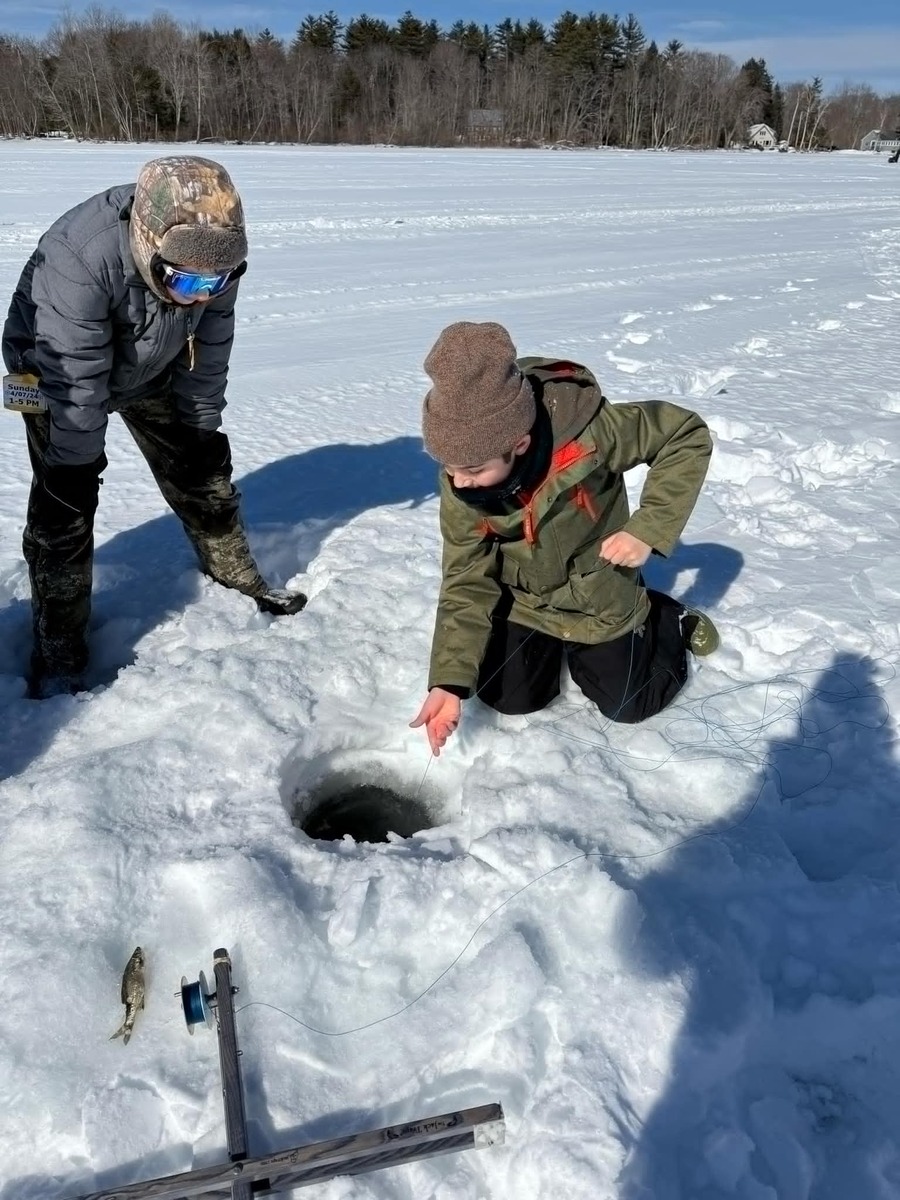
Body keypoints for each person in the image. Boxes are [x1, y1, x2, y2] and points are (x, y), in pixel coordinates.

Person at [2, 155, 306, 699]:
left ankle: (237, 580)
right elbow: (76, 383)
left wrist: (202, 430)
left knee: (202, 476)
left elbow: (209, 349)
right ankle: (60, 653)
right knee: (63, 511)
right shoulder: (79, 257)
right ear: (148, 245)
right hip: (55, 372)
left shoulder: (216, 252)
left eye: (220, 280)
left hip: (153, 364)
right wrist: (72, 470)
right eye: (188, 280)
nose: (204, 294)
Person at [409, 321, 719, 756]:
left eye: (474, 469)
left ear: (517, 444)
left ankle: (664, 618)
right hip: (524, 600)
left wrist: (647, 528)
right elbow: (465, 577)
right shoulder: (463, 480)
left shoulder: (592, 431)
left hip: (597, 595)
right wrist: (447, 680)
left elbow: (683, 436)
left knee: (631, 702)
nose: (459, 482)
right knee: (507, 697)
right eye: (448, 467)